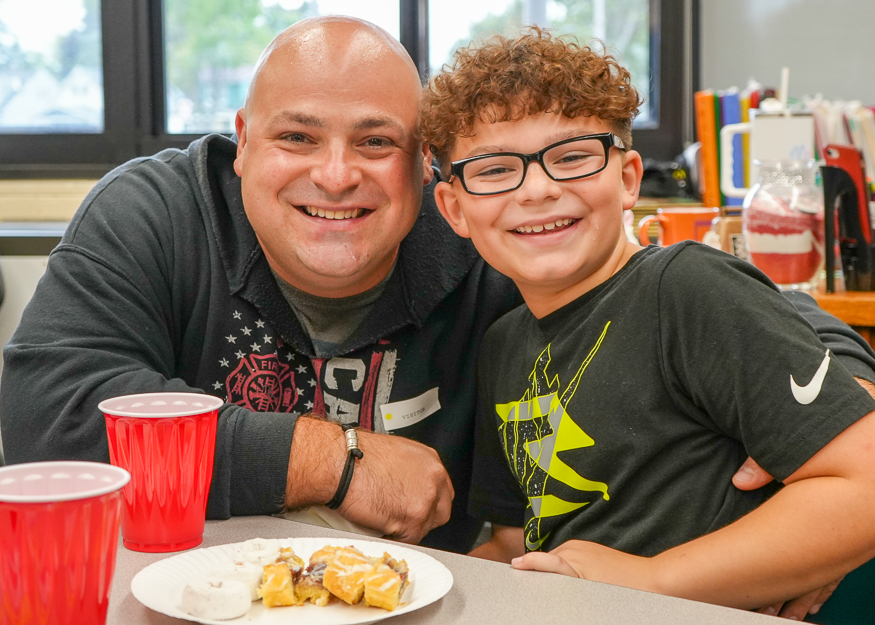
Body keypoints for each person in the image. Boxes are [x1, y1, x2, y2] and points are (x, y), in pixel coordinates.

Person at [0, 20, 870, 611]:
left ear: (424, 179)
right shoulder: (155, 214)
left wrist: (810, 461)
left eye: (376, 142)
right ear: (241, 142)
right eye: (297, 137)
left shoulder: (501, 260)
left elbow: (713, 307)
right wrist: (329, 460)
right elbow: (45, 415)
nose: (336, 175)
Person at [422, 28, 875, 612]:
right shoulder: (503, 345)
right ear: (455, 208)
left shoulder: (685, 288)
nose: (537, 189)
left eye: (572, 157)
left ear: (629, 177)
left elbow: (864, 484)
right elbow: (516, 540)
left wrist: (653, 578)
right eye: (493, 169)